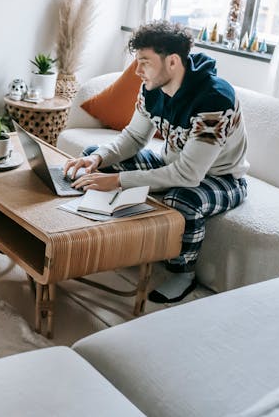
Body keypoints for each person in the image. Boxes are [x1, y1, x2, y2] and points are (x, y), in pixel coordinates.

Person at [64, 21, 249, 303]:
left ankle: (183, 273)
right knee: (96, 159)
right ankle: (101, 235)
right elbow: (134, 138)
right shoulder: (151, 88)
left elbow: (188, 175)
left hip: (223, 178)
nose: (137, 71)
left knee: (182, 199)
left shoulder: (214, 100)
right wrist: (96, 158)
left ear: (172, 62)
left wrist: (117, 180)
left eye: (144, 63)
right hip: (170, 162)